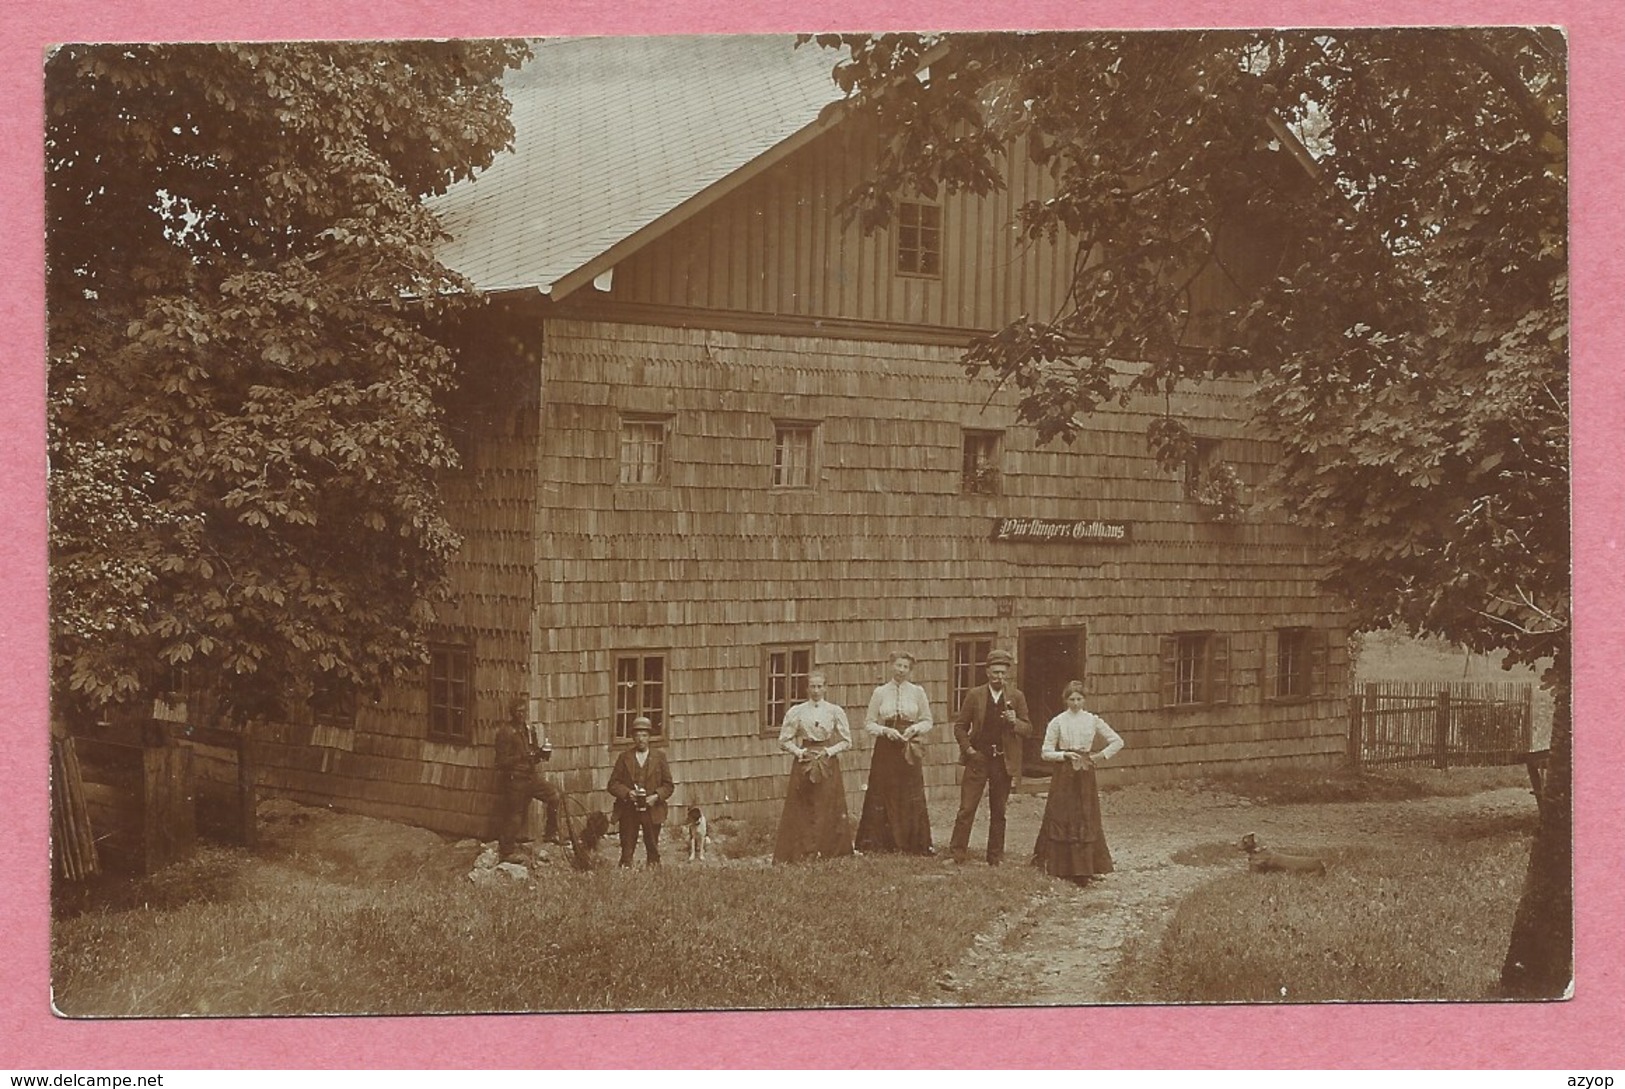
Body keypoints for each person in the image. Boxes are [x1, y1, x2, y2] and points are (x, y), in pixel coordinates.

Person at [1032, 680, 1124, 884]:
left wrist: (1099, 756)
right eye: (1071, 699)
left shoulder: (1092, 720)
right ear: (1065, 700)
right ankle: (1061, 867)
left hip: (1085, 773)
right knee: (1063, 815)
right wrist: (1064, 755)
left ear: (1085, 699)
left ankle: (1087, 868)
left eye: (1079, 699)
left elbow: (1117, 741)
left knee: (1085, 815)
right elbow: (1045, 752)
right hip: (1064, 773)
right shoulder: (1058, 721)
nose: (1075, 703)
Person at [948, 649, 1032, 865]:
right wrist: (969, 751)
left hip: (1002, 762)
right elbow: (960, 727)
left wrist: (1015, 722)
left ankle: (995, 857)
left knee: (999, 811)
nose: (999, 678)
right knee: (967, 808)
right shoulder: (975, 695)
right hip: (979, 759)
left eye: (1003, 673)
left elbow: (1028, 729)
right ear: (987, 672)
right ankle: (957, 854)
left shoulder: (1016, 696)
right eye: (995, 673)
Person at [854, 651, 935, 855]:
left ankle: (913, 843)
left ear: (910, 670)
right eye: (898, 665)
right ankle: (879, 843)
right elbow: (869, 723)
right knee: (882, 790)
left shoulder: (918, 692)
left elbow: (927, 720)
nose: (901, 670)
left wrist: (914, 729)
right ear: (891, 666)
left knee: (910, 791)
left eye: (905, 667)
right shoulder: (880, 692)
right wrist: (885, 731)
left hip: (909, 745)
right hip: (886, 747)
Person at [773, 670, 855, 863]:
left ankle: (827, 850)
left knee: (827, 805)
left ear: (825, 688)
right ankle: (802, 850)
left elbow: (847, 741)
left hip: (827, 760)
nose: (816, 690)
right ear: (807, 688)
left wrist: (829, 751)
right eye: (812, 686)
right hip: (805, 761)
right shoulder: (797, 712)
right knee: (804, 806)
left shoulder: (834, 711)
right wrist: (800, 752)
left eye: (820, 686)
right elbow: (783, 741)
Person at [493, 696, 563, 859]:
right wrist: (521, 757)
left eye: (524, 711)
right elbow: (500, 762)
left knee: (554, 796)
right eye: (518, 711)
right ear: (512, 713)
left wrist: (542, 753)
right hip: (515, 780)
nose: (521, 715)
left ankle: (551, 833)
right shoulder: (506, 732)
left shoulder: (529, 730)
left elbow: (534, 754)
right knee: (515, 815)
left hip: (531, 778)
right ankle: (507, 850)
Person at [606, 717, 675, 867]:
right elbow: (612, 784)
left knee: (652, 848)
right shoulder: (624, 758)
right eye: (637, 735)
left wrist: (655, 797)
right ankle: (626, 877)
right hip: (629, 810)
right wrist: (627, 793)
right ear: (633, 737)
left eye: (644, 735)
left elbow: (669, 786)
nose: (641, 739)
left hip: (652, 810)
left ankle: (654, 876)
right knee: (627, 849)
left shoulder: (659, 757)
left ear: (649, 737)